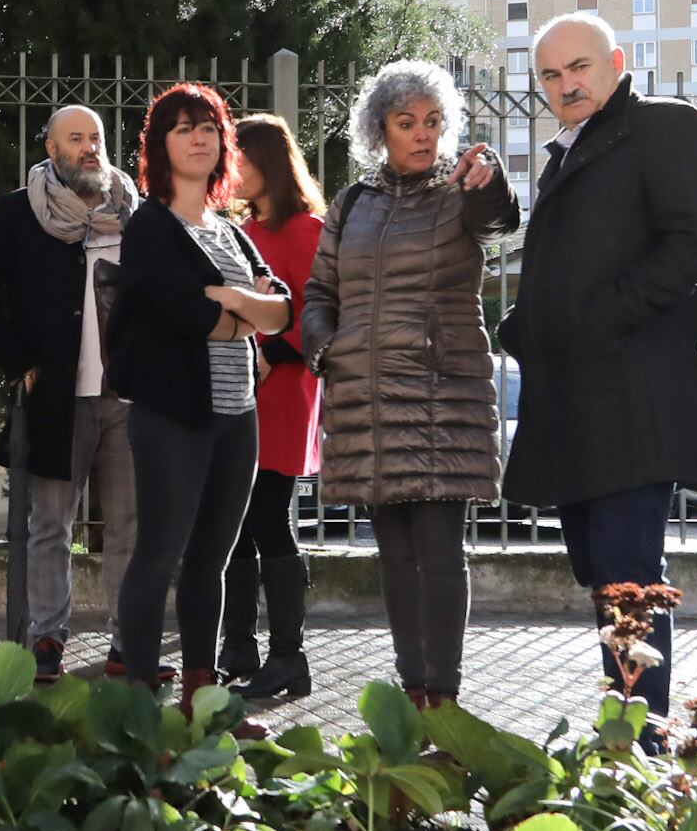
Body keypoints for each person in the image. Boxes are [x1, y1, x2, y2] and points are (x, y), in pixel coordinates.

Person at [497, 11, 697, 741]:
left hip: (636, 397)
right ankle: (627, 718)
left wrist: (599, 318)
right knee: (605, 572)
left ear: (617, 61)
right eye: (551, 75)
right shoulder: (569, 149)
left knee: (629, 572)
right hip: (576, 402)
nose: (567, 84)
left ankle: (641, 733)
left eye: (580, 68)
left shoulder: (663, 126)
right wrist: (526, 328)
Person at [295, 63, 519, 711]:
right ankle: (413, 684)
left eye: (433, 121)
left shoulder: (461, 191)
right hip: (364, 397)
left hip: (441, 396)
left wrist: (490, 174)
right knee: (393, 553)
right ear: (379, 130)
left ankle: (443, 693)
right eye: (406, 122)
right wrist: (324, 344)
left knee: (440, 550)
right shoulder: (353, 204)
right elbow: (319, 293)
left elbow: (499, 215)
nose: (423, 134)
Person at [102, 83, 291, 704]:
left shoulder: (229, 231)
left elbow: (283, 313)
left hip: (237, 417)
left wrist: (235, 300)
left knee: (212, 560)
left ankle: (199, 698)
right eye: (182, 127)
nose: (198, 136)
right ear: (160, 145)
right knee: (157, 555)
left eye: (208, 126)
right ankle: (136, 700)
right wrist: (246, 312)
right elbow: (189, 316)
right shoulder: (151, 227)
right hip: (174, 417)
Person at [0, 105, 139, 683]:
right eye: (76, 139)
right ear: (51, 148)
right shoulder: (22, 211)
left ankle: (127, 641)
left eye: (96, 138)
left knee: (129, 524)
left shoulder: (133, 213)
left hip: (127, 395)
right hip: (60, 393)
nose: (90, 148)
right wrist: (19, 359)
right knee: (51, 525)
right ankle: (46, 639)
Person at [222, 115, 327, 702]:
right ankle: (239, 645)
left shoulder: (307, 230)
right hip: (238, 392)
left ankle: (289, 654)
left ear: (268, 161)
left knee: (266, 522)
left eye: (240, 156)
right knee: (234, 526)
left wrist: (273, 354)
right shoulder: (243, 231)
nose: (230, 168)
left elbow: (316, 317)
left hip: (283, 392)